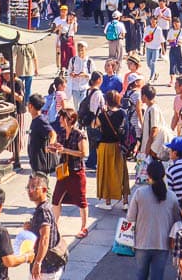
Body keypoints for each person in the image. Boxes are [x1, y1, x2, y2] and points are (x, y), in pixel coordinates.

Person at [129, 159, 180, 280]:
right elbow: (177, 221)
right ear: (163, 175)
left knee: (141, 276)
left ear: (148, 175)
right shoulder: (171, 196)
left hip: (142, 242)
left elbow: (130, 218)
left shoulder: (140, 193)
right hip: (163, 244)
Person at [51, 109, 89, 240]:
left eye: (62, 118)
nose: (60, 120)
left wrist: (65, 150)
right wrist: (53, 148)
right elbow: (59, 148)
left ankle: (83, 227)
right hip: (63, 170)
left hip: (76, 170)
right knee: (56, 199)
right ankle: (55, 226)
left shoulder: (79, 134)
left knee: (81, 200)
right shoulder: (61, 133)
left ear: (69, 120)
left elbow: (83, 153)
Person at [95, 91, 130, 211]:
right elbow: (126, 129)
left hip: (105, 146)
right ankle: (125, 201)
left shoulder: (102, 115)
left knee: (106, 173)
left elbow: (96, 126)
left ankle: (108, 201)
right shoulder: (122, 113)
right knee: (122, 173)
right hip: (118, 146)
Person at [25, 173, 64, 280]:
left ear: (44, 190)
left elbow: (45, 239)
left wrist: (38, 263)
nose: (30, 190)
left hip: (46, 268)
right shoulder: (45, 207)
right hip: (48, 266)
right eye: (28, 187)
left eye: (34, 187)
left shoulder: (43, 211)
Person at [67, 42, 93, 108]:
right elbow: (69, 71)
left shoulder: (89, 61)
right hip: (75, 87)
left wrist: (85, 75)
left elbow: (93, 75)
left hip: (85, 87)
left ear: (86, 50)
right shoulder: (73, 60)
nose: (80, 52)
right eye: (78, 50)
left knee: (82, 105)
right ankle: (78, 117)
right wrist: (72, 74)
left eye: (82, 50)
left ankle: (81, 117)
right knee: (76, 106)